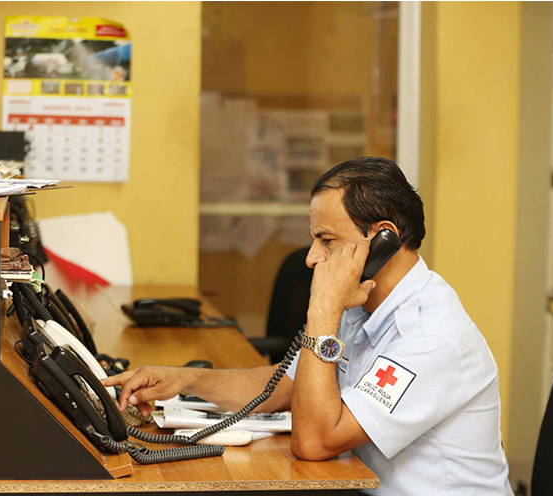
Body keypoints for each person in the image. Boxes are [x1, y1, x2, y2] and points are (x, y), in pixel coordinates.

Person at [102, 157, 512, 495]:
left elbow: (315, 442)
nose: (312, 258)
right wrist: (184, 381)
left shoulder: (429, 336)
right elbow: (286, 385)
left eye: (327, 240)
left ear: (383, 239)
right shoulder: (364, 301)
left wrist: (323, 313)